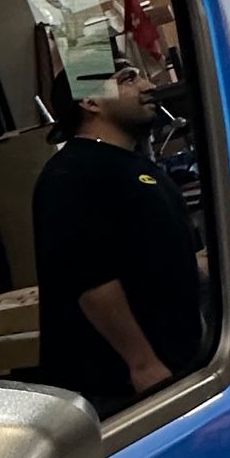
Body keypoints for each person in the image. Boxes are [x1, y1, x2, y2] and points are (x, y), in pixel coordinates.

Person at [32, 59, 205, 417]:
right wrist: (142, 363)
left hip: (178, 362)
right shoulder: (72, 173)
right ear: (90, 101)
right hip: (121, 385)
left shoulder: (138, 167)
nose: (148, 86)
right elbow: (91, 280)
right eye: (128, 79)